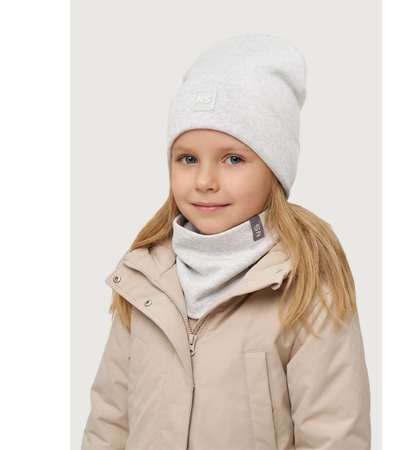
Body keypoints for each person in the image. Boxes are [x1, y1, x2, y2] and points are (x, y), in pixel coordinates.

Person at [81, 33, 371, 450]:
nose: (204, 180)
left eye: (233, 159)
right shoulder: (143, 279)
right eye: (188, 158)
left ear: (274, 169)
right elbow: (109, 421)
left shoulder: (305, 286)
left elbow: (334, 435)